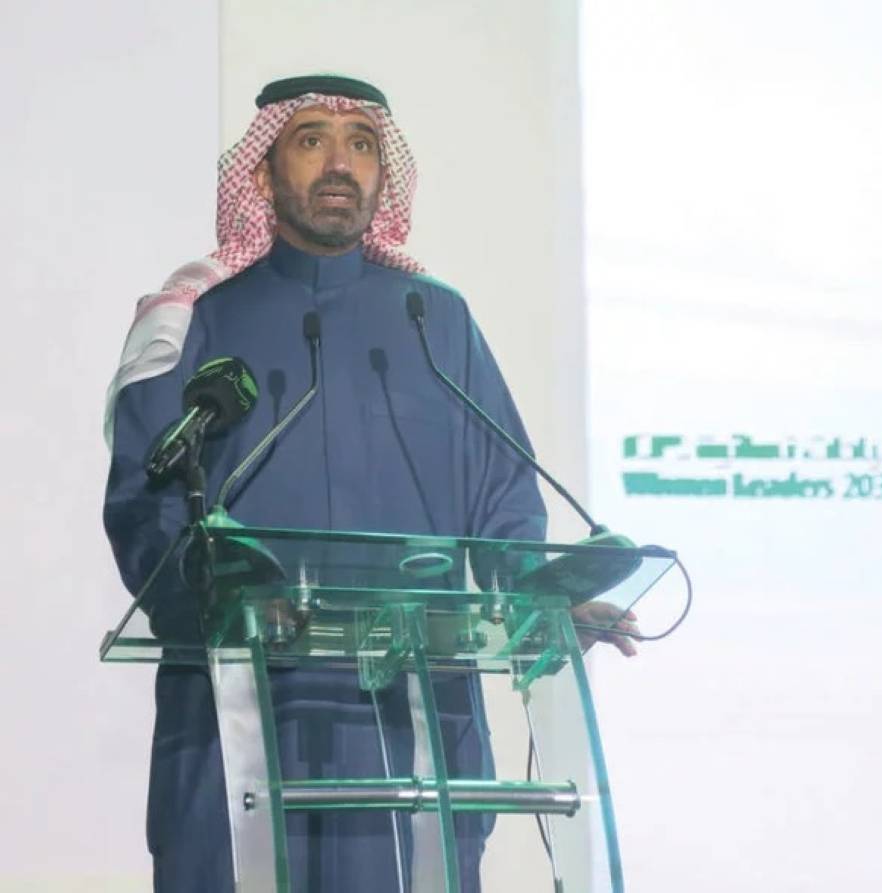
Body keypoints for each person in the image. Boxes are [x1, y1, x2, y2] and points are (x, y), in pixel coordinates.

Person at [104, 74, 635, 892]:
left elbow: (501, 499)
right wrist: (218, 587)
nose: (339, 165)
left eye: (361, 145)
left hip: (413, 718)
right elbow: (148, 494)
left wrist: (539, 597)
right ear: (262, 174)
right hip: (242, 712)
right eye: (311, 140)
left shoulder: (437, 321)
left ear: (384, 178)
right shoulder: (199, 318)